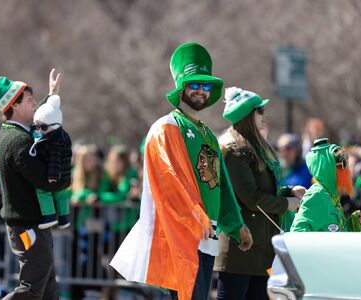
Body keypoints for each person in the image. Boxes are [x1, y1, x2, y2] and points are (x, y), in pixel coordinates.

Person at [110, 42, 253, 300]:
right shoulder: (166, 128)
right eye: (194, 84)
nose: (200, 91)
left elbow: (220, 186)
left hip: (204, 237)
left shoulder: (207, 133)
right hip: (178, 239)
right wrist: (196, 216)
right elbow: (170, 182)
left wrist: (235, 224)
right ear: (181, 87)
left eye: (206, 85)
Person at [214, 87, 305, 300]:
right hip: (240, 249)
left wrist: (289, 191)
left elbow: (264, 190)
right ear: (247, 114)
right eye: (260, 110)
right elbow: (252, 198)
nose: (264, 114)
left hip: (263, 249)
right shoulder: (235, 150)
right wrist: (288, 203)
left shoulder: (256, 147)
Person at [0, 69, 71, 299]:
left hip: (31, 223)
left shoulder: (15, 133)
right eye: (29, 99)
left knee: (47, 287)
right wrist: (65, 178)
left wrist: (52, 96)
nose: (35, 103)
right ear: (14, 106)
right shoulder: (17, 141)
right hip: (26, 226)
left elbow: (39, 119)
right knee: (33, 286)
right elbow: (46, 181)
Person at [291, 138, 361, 232]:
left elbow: (333, 231)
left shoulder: (331, 194)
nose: (346, 171)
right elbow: (298, 231)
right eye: (340, 166)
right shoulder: (317, 194)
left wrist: (351, 225)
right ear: (327, 169)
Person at [29, 94, 72, 229]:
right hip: (64, 176)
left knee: (42, 191)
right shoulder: (61, 135)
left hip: (55, 176)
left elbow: (55, 158)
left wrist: (52, 176)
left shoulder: (55, 140)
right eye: (37, 127)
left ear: (56, 124)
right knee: (61, 195)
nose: (39, 130)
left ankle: (50, 216)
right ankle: (64, 218)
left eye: (43, 127)